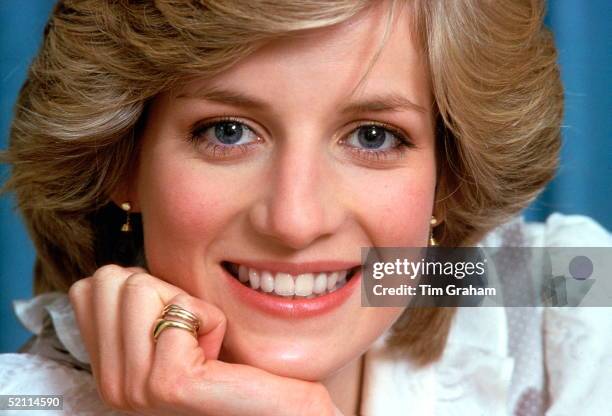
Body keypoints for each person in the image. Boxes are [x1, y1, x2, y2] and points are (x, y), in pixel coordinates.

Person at [0, 0, 610, 415]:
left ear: (448, 177)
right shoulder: (29, 400)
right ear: (122, 163)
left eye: (373, 136)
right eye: (228, 132)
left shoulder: (555, 298)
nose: (295, 222)